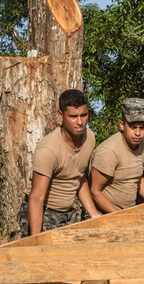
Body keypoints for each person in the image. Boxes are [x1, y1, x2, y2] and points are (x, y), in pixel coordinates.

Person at [23, 89, 99, 235]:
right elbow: (37, 196)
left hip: (70, 214)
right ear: (60, 115)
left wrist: (93, 214)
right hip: (45, 214)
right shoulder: (49, 149)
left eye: (84, 115)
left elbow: (79, 176)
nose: (80, 122)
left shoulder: (89, 137)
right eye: (73, 116)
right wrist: (36, 237)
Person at [89, 97, 144, 213]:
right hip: (103, 214)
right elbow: (94, 191)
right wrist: (118, 215)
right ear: (122, 125)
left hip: (128, 212)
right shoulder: (109, 151)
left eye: (142, 127)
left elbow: (138, 178)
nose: (138, 133)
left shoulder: (143, 146)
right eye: (133, 127)